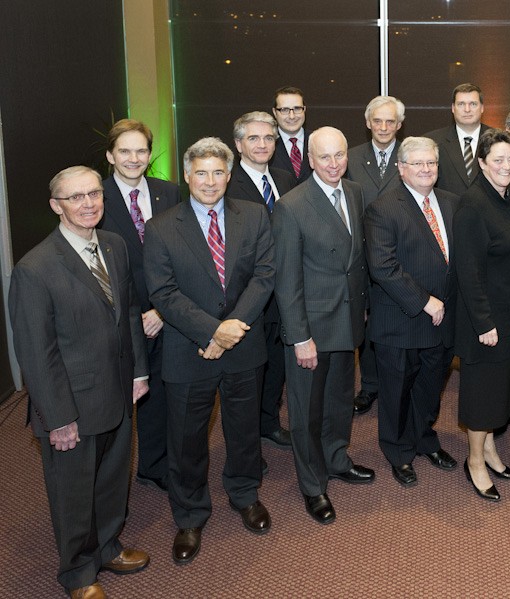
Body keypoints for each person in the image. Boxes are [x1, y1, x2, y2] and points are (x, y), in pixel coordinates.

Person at [10, 166, 150, 597]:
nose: (88, 204)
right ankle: (78, 573)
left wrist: (139, 372)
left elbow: (128, 314)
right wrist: (58, 418)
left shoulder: (115, 245)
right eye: (76, 197)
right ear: (56, 206)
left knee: (112, 479)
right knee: (73, 495)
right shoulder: (35, 268)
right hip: (71, 404)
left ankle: (107, 547)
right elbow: (37, 351)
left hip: (119, 390)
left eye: (94, 194)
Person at [144, 137, 275, 565]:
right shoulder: (162, 226)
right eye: (201, 172)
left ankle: (244, 493)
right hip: (188, 349)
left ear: (229, 174)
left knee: (243, 430)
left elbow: (265, 275)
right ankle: (190, 513)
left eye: (219, 172)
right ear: (187, 175)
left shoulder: (254, 216)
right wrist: (213, 332)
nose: (210, 181)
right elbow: (163, 292)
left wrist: (231, 330)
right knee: (186, 439)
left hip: (243, 344)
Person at [272, 126, 374, 525]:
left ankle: (337, 459)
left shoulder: (355, 192)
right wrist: (299, 337)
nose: (334, 164)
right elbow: (287, 280)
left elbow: (356, 259)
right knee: (306, 412)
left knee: (337, 403)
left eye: (340, 155)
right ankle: (312, 485)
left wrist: (361, 308)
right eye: (325, 157)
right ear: (310, 160)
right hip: (310, 330)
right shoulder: (292, 206)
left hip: (347, 322)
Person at [365, 136, 460, 489]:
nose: (425, 169)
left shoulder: (451, 203)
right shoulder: (383, 208)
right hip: (402, 320)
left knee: (429, 387)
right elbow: (382, 266)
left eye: (431, 163)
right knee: (396, 391)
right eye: (417, 164)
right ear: (401, 168)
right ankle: (398, 451)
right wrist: (425, 301)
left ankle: (424, 438)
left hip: (443, 321)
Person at [100, 119, 181, 492]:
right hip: (120, 319)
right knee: (119, 403)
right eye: (125, 151)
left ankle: (156, 464)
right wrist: (139, 314)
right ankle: (111, 483)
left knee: (161, 394)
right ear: (110, 156)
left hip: (168, 313)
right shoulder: (94, 198)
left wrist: (162, 310)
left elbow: (185, 256)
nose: (134, 158)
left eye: (141, 151)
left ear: (150, 154)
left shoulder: (170, 192)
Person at [455, 129, 510, 501]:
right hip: (485, 321)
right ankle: (474, 461)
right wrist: (484, 323)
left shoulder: (509, 198)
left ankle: (489, 449)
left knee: (501, 390)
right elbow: (467, 272)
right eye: (497, 160)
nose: (505, 166)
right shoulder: (473, 204)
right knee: (483, 396)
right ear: (482, 163)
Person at [226, 111, 295, 450]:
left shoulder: (284, 177)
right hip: (248, 295)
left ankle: (269, 422)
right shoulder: (227, 183)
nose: (263, 144)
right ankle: (247, 442)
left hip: (283, 294)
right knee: (249, 375)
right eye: (253, 138)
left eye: (269, 138)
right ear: (238, 144)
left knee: (277, 366)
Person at [346, 95, 406, 415]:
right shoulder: (350, 158)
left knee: (397, 320)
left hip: (402, 255)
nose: (384, 127)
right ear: (368, 123)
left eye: (390, 121)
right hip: (360, 255)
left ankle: (398, 383)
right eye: (378, 121)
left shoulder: (411, 157)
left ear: (399, 125)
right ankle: (369, 385)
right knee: (366, 323)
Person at [425, 83, 492, 196]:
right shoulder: (432, 141)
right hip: (448, 211)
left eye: (473, 104)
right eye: (461, 104)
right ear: (453, 108)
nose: (467, 109)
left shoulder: (498, 140)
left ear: (482, 108)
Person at [270, 85, 312, 189]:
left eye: (297, 108)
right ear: (275, 112)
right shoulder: (265, 145)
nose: (292, 116)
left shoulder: (318, 141)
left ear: (304, 110)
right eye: (284, 110)